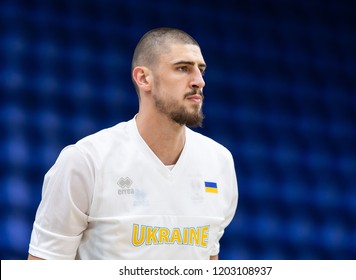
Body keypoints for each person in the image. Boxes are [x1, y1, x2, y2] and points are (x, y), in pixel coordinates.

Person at [28, 27, 238, 260]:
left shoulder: (220, 162)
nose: (199, 81)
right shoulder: (86, 161)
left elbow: (209, 259)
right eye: (182, 68)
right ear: (143, 78)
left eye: (201, 70)